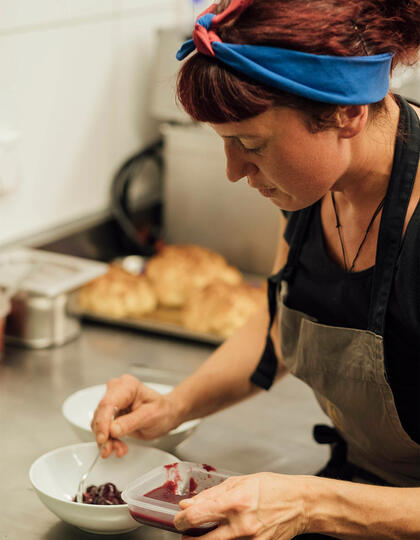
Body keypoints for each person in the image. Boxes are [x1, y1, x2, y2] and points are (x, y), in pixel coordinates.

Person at [92, 0, 420, 537]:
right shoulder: (312, 189)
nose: (233, 171)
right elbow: (279, 317)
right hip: (354, 498)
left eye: (251, 144)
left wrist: (314, 504)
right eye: (225, 143)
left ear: (347, 112)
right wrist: (174, 406)